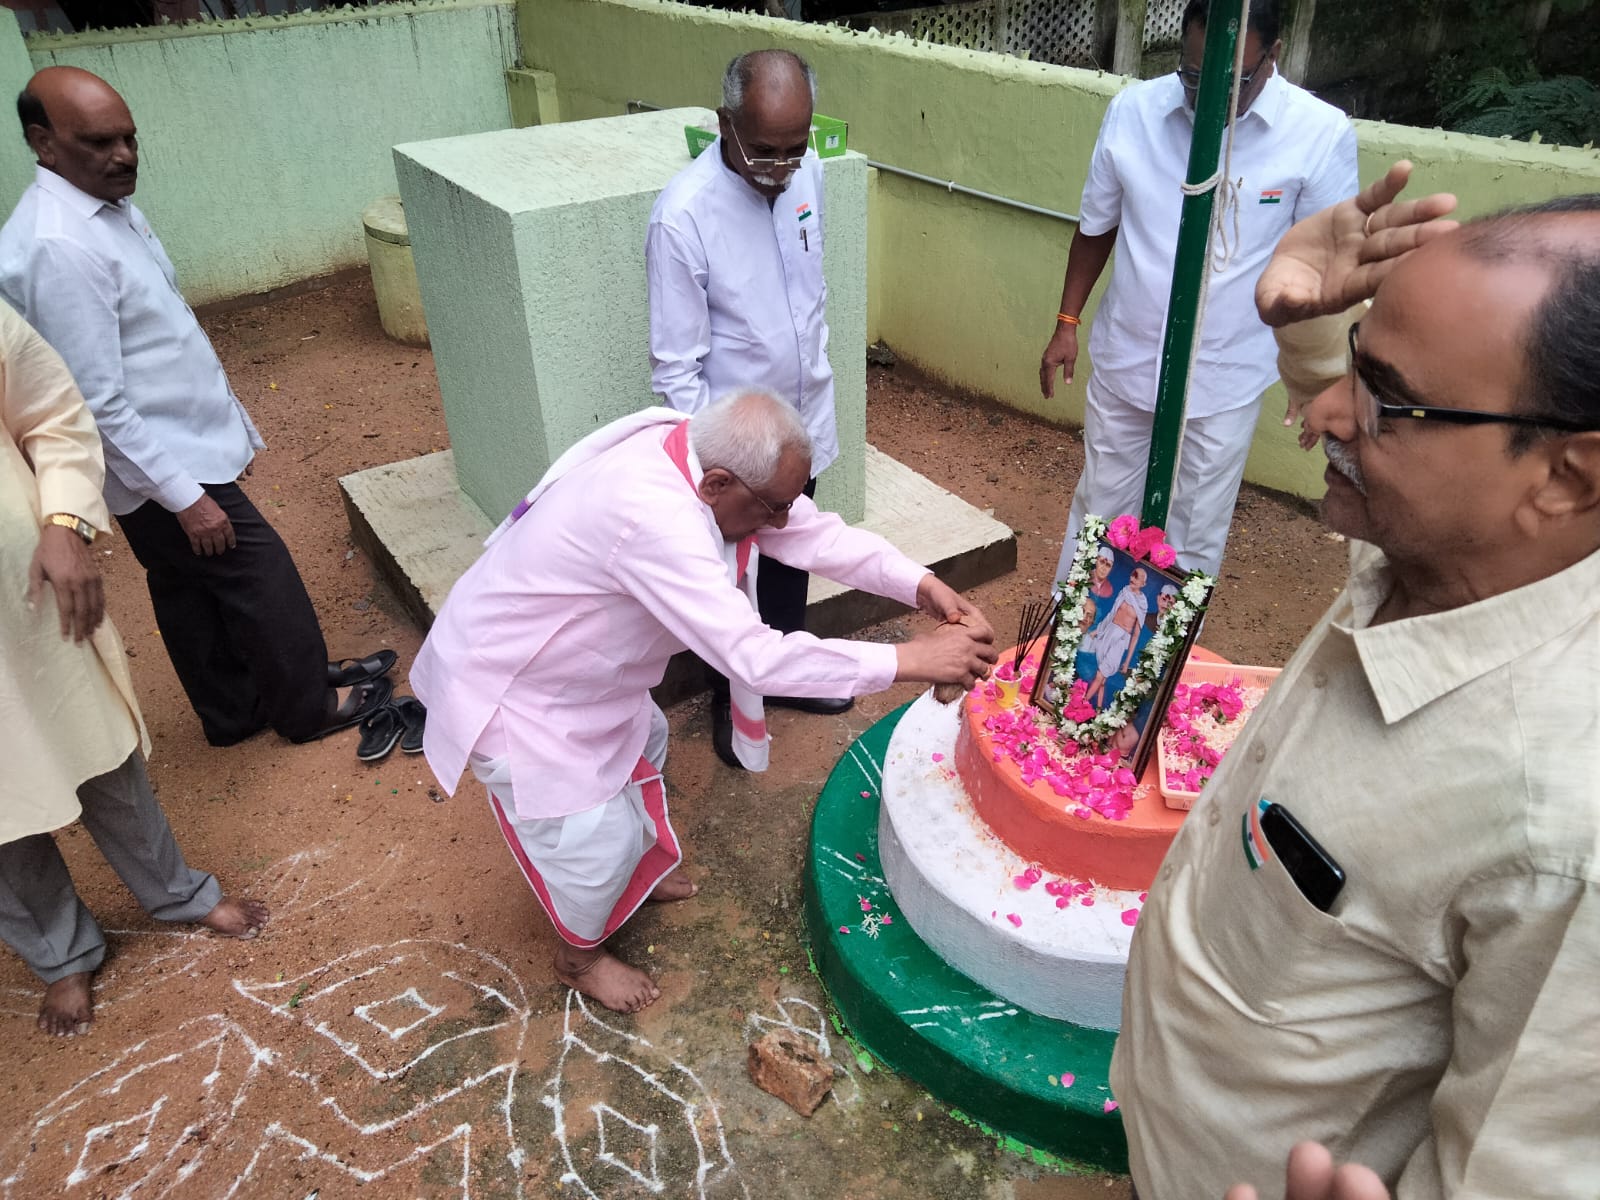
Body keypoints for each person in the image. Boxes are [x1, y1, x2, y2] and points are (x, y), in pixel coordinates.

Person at [1113, 163, 1600, 1199]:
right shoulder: (1457, 545)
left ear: (1564, 476)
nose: (1327, 411)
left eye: (1381, 397)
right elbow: (1395, 431)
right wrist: (1295, 318)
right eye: (1351, 360)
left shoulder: (1562, 827)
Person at [411, 391, 995, 1015]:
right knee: (589, 845)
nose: (779, 522)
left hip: (583, 674)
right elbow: (753, 656)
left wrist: (920, 583)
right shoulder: (654, 516)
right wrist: (910, 660)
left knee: (646, 746)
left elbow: (811, 535)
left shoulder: (697, 452)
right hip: (517, 690)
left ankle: (634, 874)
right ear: (718, 483)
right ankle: (578, 958)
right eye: (771, 507)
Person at [0, 66, 392, 748]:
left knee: (183, 581)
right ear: (44, 142)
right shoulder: (59, 245)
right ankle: (306, 707)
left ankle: (234, 708)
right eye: (98, 141)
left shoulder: (101, 208)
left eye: (128, 138)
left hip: (163, 444)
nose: (122, 155)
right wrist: (184, 496)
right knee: (256, 567)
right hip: (159, 458)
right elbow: (95, 399)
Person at [0, 297, 267, 1038]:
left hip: (22, 592)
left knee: (93, 743)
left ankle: (177, 891)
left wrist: (64, 523)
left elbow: (53, 411)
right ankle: (60, 954)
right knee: (1, 808)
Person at [1040, 0, 1358, 578]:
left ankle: (1163, 666)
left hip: (1225, 378)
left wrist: (1313, 370)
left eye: (1229, 79)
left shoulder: (1318, 135)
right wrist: (1067, 322)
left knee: (1190, 537)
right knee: (1099, 518)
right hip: (1128, 361)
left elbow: (1322, 267)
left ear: (1274, 56)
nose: (1202, 92)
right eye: (1192, 73)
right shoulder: (1134, 112)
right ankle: (1071, 661)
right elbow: (1096, 227)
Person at [646, 48, 852, 768]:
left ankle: (788, 675)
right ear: (724, 124)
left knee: (791, 559)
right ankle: (737, 707)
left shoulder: (807, 176)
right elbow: (676, 368)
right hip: (738, 453)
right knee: (734, 587)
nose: (780, 166)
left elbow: (807, 295)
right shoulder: (682, 217)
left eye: (795, 149)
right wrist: (716, 472)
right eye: (764, 150)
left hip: (805, 425)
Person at [1082, 565, 1148, 707]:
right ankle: (1098, 709)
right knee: (1102, 678)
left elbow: (1136, 636)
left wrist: (1127, 662)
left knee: (1101, 674)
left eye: (1137, 577)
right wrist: (1098, 631)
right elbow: (1111, 614)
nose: (1133, 579)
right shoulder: (1124, 592)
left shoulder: (1142, 605)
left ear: (1143, 583)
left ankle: (1083, 703)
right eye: (1132, 575)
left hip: (1121, 639)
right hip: (1108, 633)